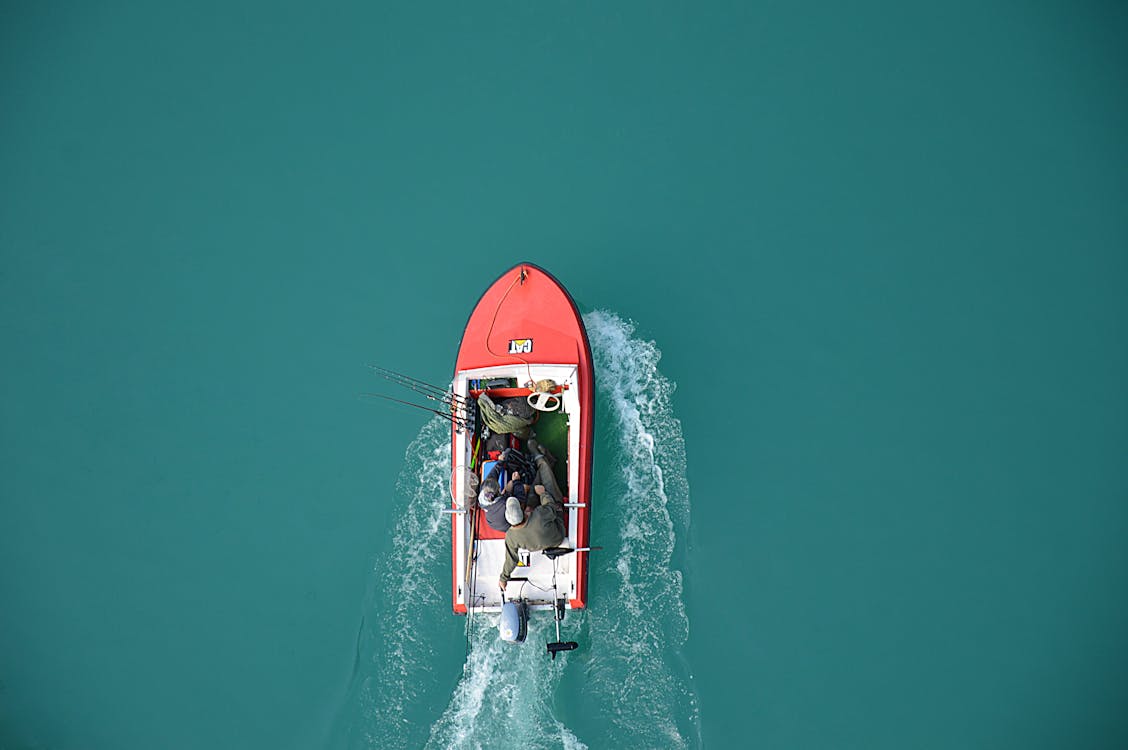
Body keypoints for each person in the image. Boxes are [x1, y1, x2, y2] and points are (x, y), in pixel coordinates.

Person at [498, 463, 566, 590]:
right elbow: (551, 507)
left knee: (536, 485)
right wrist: (543, 494)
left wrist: (503, 578)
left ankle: (540, 463)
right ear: (523, 513)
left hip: (541, 543)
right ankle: (542, 460)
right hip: (558, 533)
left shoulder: (511, 536)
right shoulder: (539, 515)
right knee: (545, 468)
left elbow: (511, 560)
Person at [478, 461, 528, 533]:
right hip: (512, 524)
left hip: (496, 522)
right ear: (498, 490)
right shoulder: (504, 503)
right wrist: (516, 481)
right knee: (524, 488)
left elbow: (492, 476)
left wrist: (500, 462)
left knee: (510, 484)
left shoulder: (483, 492)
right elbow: (520, 498)